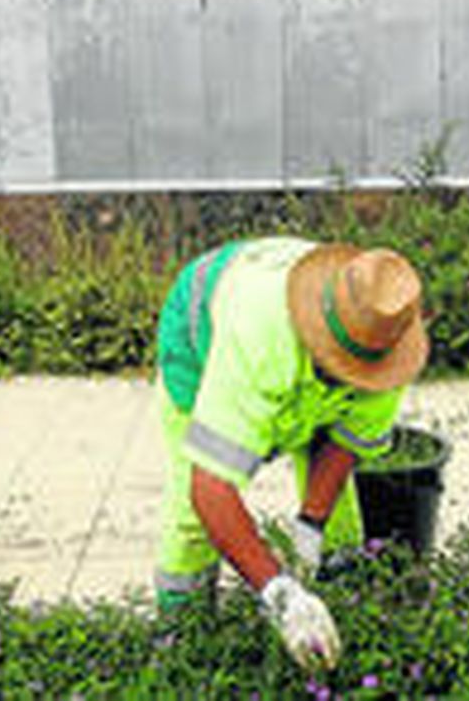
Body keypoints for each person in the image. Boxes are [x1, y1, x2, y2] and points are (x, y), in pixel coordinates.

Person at [152, 236, 429, 671]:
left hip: (292, 353)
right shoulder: (259, 339)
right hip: (199, 340)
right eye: (344, 368)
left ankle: (338, 612)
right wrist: (280, 594)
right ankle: (181, 644)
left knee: (340, 516)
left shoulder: (386, 340)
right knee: (191, 522)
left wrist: (311, 527)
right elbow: (210, 488)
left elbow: (343, 445)